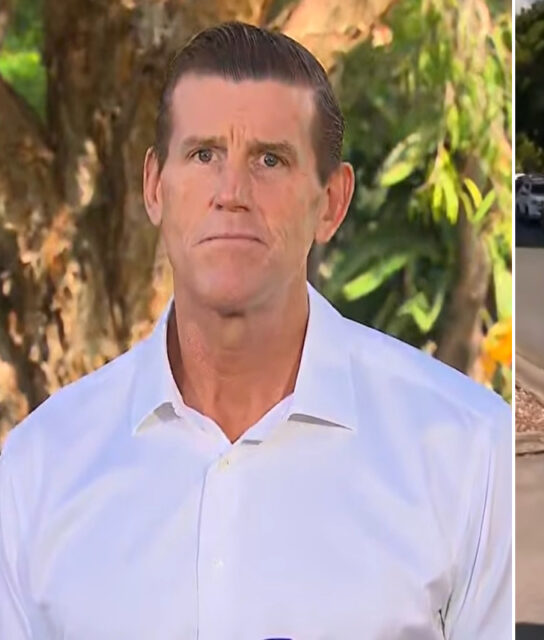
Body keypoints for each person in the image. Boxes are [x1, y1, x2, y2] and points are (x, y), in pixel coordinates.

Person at [0, 22, 512, 639]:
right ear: (155, 187)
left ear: (331, 202)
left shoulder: (469, 452)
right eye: (204, 155)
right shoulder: (40, 467)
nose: (232, 193)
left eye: (270, 159)